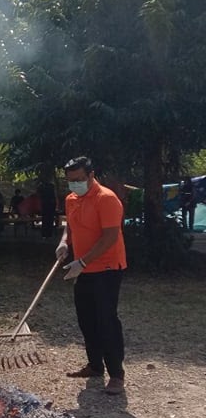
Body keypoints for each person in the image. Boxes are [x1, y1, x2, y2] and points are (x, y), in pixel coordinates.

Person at [56, 156, 127, 395]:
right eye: (70, 180)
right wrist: (65, 242)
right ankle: (95, 366)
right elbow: (70, 226)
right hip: (83, 268)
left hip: (107, 269)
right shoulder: (71, 199)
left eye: (78, 179)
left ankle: (116, 375)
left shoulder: (106, 199)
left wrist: (83, 261)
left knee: (106, 320)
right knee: (86, 319)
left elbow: (110, 236)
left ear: (91, 175)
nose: (74, 184)